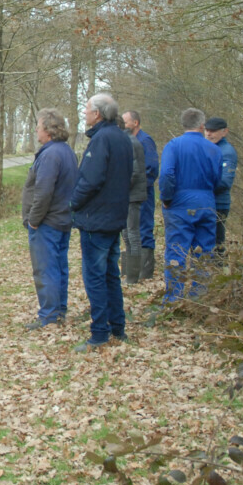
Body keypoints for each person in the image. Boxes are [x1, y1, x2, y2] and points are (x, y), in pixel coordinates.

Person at [68, 93, 133, 351]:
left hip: (97, 219)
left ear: (97, 113)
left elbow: (90, 180)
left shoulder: (102, 139)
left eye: (86, 109)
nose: (84, 113)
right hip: (114, 216)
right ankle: (118, 328)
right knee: (110, 275)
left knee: (95, 277)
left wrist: (73, 203)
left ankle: (99, 334)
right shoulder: (121, 137)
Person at [20, 108, 77, 329]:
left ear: (49, 130)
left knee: (46, 269)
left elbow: (43, 191)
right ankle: (59, 310)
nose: (36, 130)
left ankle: (49, 315)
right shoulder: (65, 151)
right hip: (62, 218)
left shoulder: (51, 154)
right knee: (59, 266)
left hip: (48, 222)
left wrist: (34, 219)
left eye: (39, 126)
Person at [158, 108, 222, 300]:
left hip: (179, 203)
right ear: (202, 125)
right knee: (204, 253)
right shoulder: (214, 149)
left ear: (183, 124)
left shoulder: (174, 145)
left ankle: (173, 299)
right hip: (206, 202)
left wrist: (167, 198)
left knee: (176, 251)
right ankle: (198, 298)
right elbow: (218, 179)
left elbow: (167, 174)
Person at [121, 111, 159, 280]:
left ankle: (144, 271)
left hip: (143, 194)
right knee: (129, 231)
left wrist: (140, 188)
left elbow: (151, 169)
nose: (123, 125)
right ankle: (131, 269)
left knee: (142, 229)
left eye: (126, 122)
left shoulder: (145, 141)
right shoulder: (128, 141)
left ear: (135, 123)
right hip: (130, 194)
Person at [203, 117, 237, 256]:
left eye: (213, 131)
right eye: (207, 130)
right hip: (205, 201)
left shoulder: (227, 151)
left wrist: (202, 187)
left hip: (219, 203)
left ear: (224, 132)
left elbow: (225, 182)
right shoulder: (205, 148)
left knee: (217, 242)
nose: (209, 134)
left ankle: (218, 271)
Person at [122, 122, 147, 284]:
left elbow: (134, 171)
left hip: (132, 196)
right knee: (127, 234)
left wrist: (121, 189)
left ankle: (133, 276)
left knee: (132, 234)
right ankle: (129, 274)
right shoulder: (129, 140)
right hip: (130, 195)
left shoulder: (130, 142)